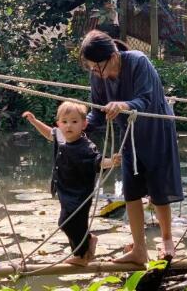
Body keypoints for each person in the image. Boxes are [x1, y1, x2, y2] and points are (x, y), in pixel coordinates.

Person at [80, 30, 183, 264]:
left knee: (159, 189)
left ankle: (167, 239)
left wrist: (123, 104)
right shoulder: (98, 76)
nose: (96, 73)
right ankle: (139, 248)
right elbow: (98, 111)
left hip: (157, 129)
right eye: (91, 69)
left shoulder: (138, 61)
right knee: (131, 191)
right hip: (129, 134)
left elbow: (145, 99)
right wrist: (80, 127)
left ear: (113, 55)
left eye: (98, 67)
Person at [22, 102, 121, 266]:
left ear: (84, 124)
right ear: (59, 124)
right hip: (64, 190)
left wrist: (113, 161)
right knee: (70, 222)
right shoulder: (60, 136)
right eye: (65, 121)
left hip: (80, 193)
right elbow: (49, 134)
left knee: (69, 222)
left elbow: (98, 162)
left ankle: (81, 255)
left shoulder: (86, 147)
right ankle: (86, 244)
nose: (69, 126)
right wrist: (34, 121)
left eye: (74, 122)